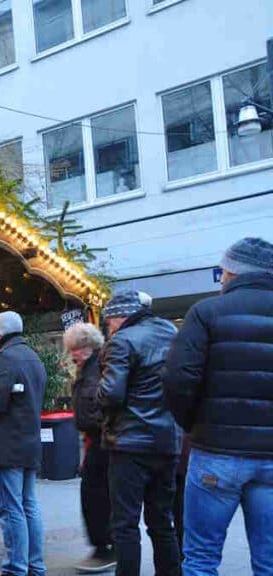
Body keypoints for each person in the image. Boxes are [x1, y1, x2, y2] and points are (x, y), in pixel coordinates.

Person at [162, 237, 273, 576]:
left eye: (223, 271)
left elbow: (178, 379)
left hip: (216, 454)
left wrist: (195, 424)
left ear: (232, 272)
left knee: (201, 559)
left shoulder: (206, 312)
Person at [97, 290, 180, 576]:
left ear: (119, 317)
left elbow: (111, 395)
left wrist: (97, 392)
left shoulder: (122, 340)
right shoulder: (171, 331)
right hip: (167, 441)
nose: (108, 328)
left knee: (125, 524)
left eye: (108, 323)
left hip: (130, 444)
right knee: (161, 521)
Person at [0, 310, 46, 576]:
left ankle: (15, 568)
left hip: (6, 446)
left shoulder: (4, 359)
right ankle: (35, 567)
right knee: (28, 506)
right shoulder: (33, 357)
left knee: (10, 509)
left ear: (1, 332)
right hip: (29, 444)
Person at [63, 322, 115, 574]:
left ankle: (105, 546)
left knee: (95, 494)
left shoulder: (96, 368)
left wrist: (95, 424)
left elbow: (101, 402)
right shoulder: (89, 367)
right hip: (96, 438)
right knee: (96, 493)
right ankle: (104, 545)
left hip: (100, 440)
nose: (74, 353)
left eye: (78, 348)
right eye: (72, 349)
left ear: (89, 346)